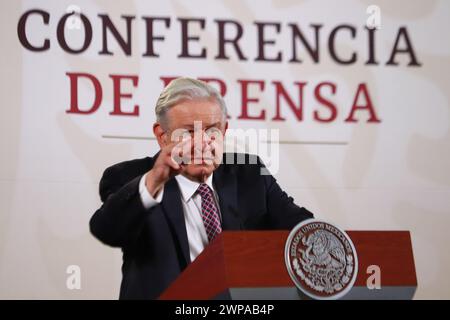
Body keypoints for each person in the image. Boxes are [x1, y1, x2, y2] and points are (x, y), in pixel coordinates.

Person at [89, 77, 313, 299]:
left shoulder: (250, 174)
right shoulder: (131, 177)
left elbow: (302, 229)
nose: (203, 142)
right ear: (162, 136)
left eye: (211, 131)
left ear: (224, 131)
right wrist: (155, 180)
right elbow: (107, 229)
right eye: (188, 133)